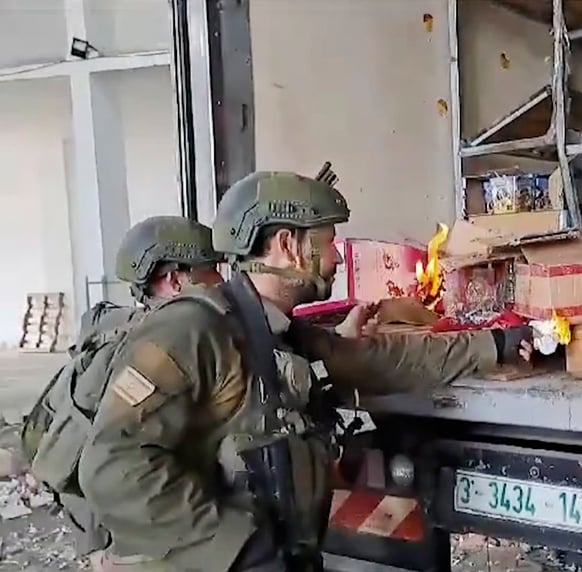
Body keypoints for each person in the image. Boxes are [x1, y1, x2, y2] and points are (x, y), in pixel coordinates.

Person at [78, 171, 533, 572]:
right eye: (328, 242)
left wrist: (494, 345)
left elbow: (376, 360)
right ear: (287, 246)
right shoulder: (193, 330)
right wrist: (241, 553)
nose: (336, 258)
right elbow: (113, 468)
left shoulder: (275, 332)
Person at [20, 216, 226, 570]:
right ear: (174, 280)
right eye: (210, 271)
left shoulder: (140, 329)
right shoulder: (149, 348)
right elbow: (112, 458)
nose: (221, 282)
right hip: (117, 531)